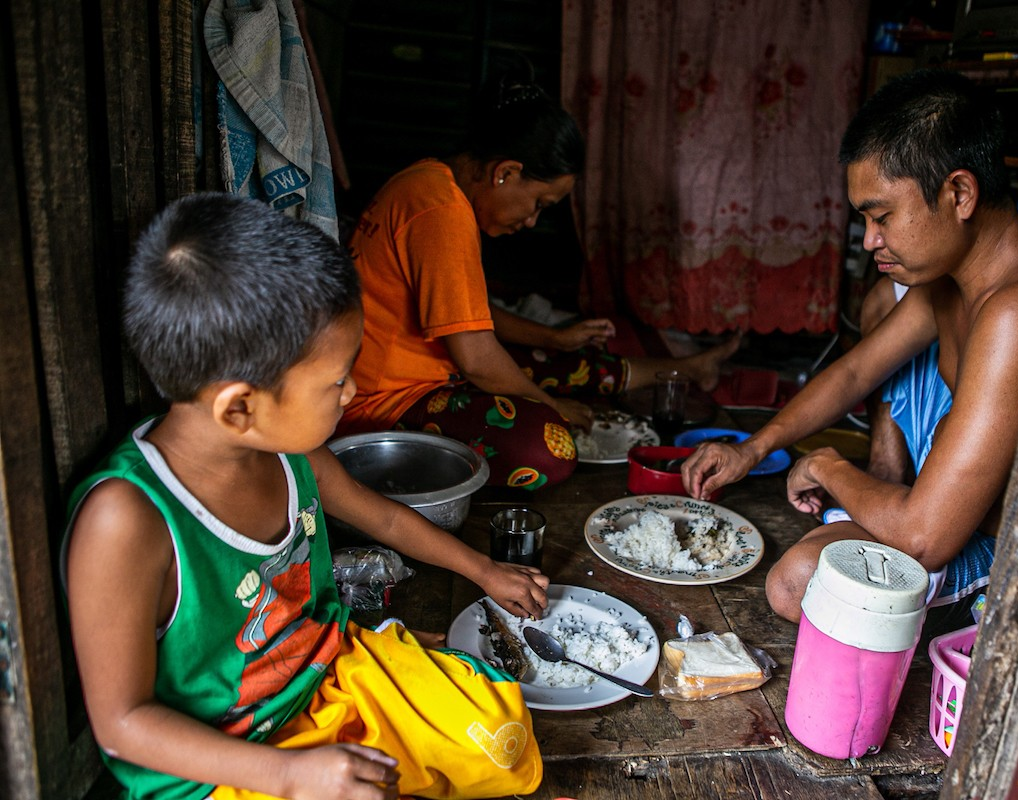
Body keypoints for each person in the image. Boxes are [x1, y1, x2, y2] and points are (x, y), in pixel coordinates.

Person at [62, 193, 548, 800]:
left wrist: (485, 571)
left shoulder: (292, 454)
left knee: (499, 735)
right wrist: (291, 775)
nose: (349, 395)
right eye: (337, 380)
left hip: (329, 673)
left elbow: (387, 523)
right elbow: (123, 724)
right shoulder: (127, 520)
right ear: (240, 406)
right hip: (228, 763)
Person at [681, 69, 1018, 626]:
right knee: (806, 574)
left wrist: (828, 466)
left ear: (959, 193)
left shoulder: (1017, 310)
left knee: (799, 584)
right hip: (943, 521)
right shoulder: (956, 280)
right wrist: (753, 449)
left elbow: (925, 537)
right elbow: (857, 372)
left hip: (1008, 563)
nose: (869, 239)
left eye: (882, 216)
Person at [337, 75, 739, 490]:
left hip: (419, 375)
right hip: (379, 407)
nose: (531, 221)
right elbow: (475, 357)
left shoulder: (426, 181)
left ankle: (689, 368)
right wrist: (551, 405)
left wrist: (553, 339)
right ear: (506, 173)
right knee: (551, 447)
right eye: (539, 204)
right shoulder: (441, 210)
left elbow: (466, 315)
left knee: (562, 362)